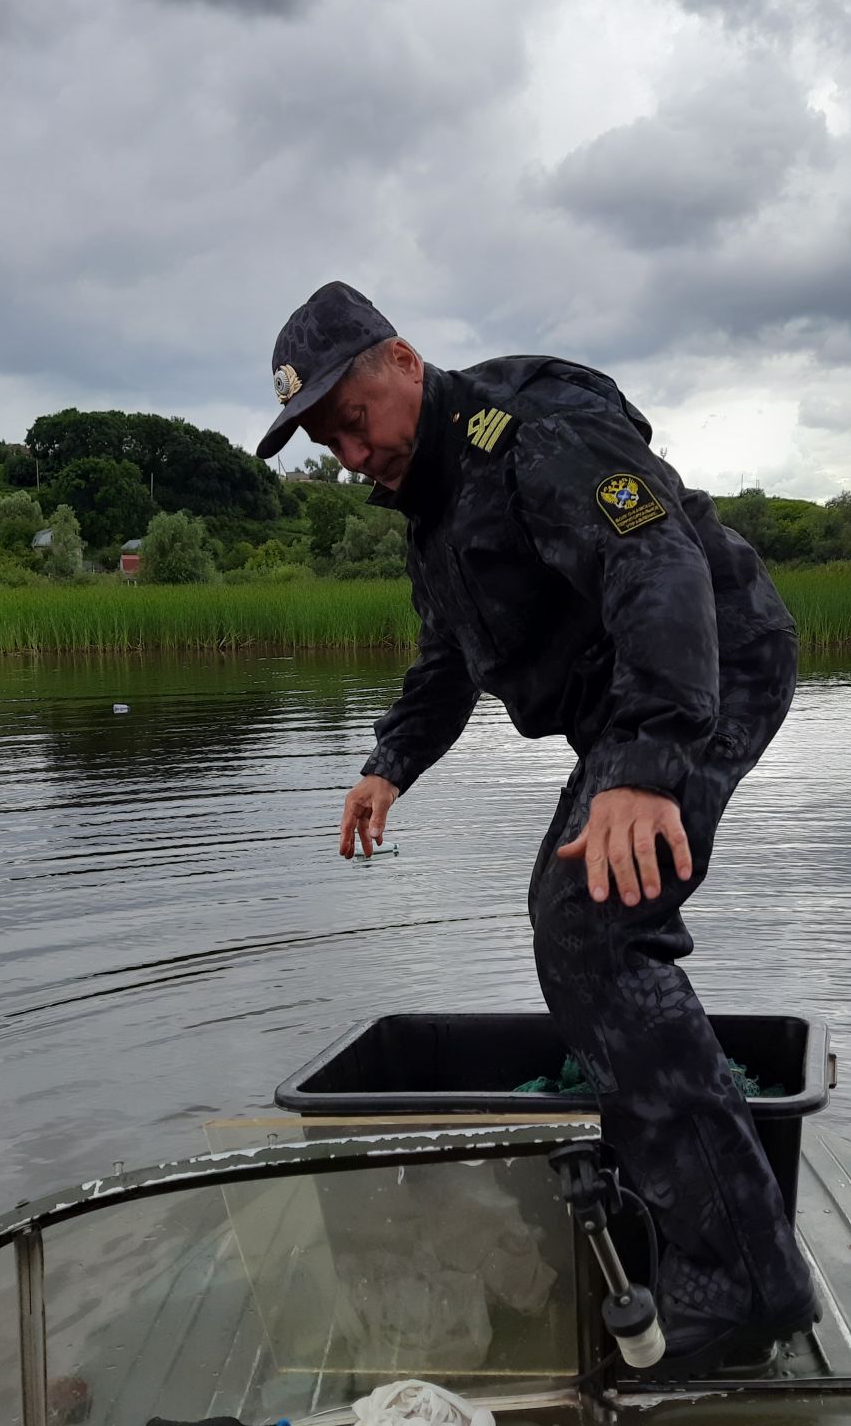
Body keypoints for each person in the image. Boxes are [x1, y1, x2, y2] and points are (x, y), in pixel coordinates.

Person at [255, 282, 815, 1375]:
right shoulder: (433, 506)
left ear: (402, 361)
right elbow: (448, 658)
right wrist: (390, 765)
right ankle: (712, 1228)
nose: (346, 451)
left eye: (349, 419)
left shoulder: (535, 431)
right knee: (585, 927)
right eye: (324, 439)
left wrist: (650, 762)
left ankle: (744, 1276)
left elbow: (656, 562)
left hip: (711, 664)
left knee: (592, 925)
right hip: (628, 704)